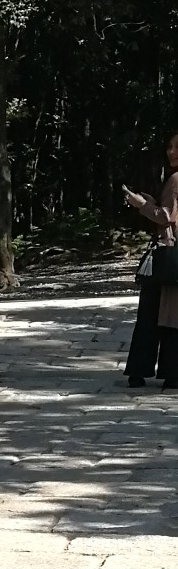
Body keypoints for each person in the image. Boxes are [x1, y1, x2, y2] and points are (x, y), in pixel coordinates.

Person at [122, 132, 178, 390]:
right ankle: (169, 372)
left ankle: (140, 371)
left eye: (177, 148)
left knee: (151, 314)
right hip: (171, 254)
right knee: (169, 314)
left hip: (168, 253)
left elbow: (166, 217)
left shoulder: (176, 179)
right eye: (169, 146)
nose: (171, 152)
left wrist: (141, 204)